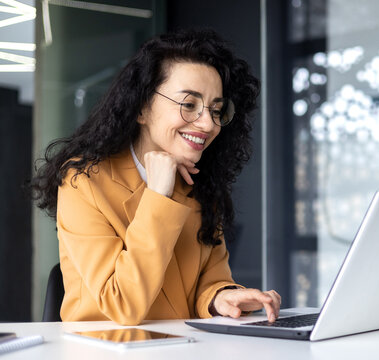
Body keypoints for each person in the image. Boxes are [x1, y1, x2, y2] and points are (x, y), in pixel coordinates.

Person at [31, 29, 281, 325]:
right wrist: (158, 195)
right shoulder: (83, 181)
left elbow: (208, 281)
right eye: (189, 105)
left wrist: (220, 297)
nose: (208, 123)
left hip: (185, 346)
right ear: (141, 107)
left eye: (216, 110)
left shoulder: (200, 184)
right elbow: (123, 304)